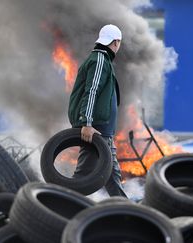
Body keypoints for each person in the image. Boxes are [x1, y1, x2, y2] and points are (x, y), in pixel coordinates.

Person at [68, 24, 127, 197]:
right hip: (97, 129)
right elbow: (92, 90)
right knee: (86, 175)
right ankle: (59, 205)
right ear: (116, 42)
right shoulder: (100, 60)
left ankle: (126, 212)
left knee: (110, 174)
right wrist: (86, 123)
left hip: (103, 130)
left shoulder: (102, 59)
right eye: (119, 43)